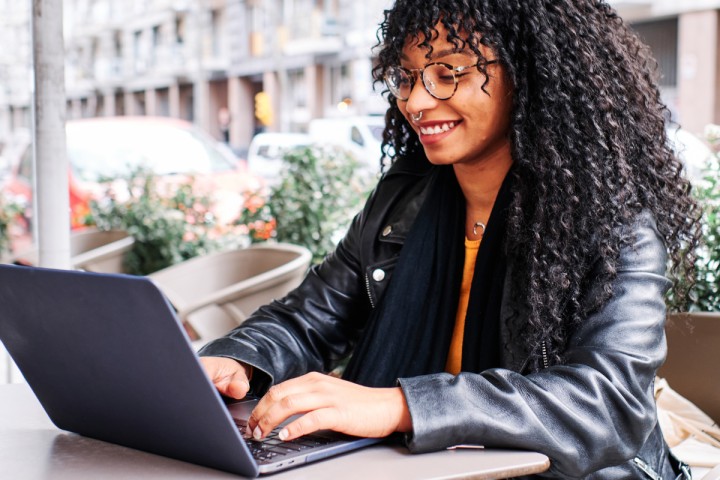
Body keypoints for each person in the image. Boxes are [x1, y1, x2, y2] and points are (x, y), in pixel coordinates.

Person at [199, 1, 702, 478]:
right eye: (407, 76)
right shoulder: (403, 202)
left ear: (529, 76)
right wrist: (237, 359)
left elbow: (609, 406)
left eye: (449, 73)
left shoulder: (609, 224)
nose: (416, 101)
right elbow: (307, 320)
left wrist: (401, 405)